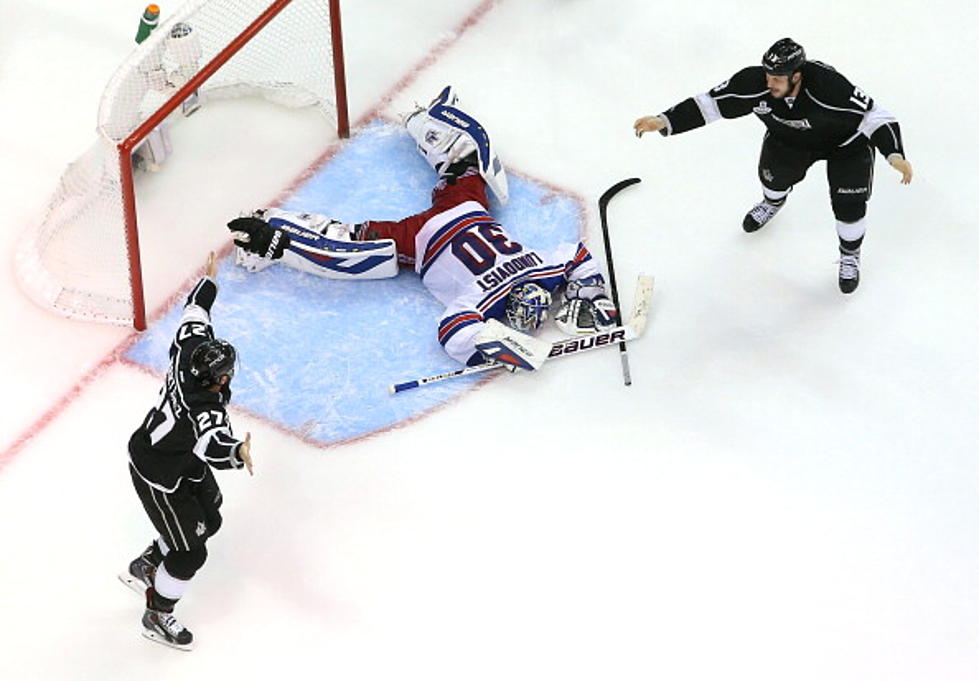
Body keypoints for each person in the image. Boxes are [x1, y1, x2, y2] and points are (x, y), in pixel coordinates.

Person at [226, 86, 619, 370]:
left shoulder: (539, 270)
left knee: (465, 167)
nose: (533, 325)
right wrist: (590, 295)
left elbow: (572, 254)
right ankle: (270, 237)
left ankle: (426, 121)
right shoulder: (488, 297)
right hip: (422, 241)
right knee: (351, 248)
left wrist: (588, 287)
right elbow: (452, 331)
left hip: (466, 210)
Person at [634, 38, 912, 293]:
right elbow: (711, 104)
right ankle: (773, 202)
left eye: (777, 78)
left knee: (849, 207)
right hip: (789, 141)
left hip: (846, 146)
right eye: (768, 75)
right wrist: (665, 120)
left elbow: (875, 116)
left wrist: (894, 154)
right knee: (772, 179)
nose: (770, 83)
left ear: (797, 76)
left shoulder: (829, 87)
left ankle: (850, 254)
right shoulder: (753, 83)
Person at [120, 252, 253, 651]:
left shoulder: (188, 349)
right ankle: (157, 613)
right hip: (158, 472)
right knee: (190, 554)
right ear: (218, 378)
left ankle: (148, 565)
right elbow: (213, 445)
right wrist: (238, 453)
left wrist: (209, 281)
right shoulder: (204, 408)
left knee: (210, 517)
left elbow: (195, 310)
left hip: (179, 457)